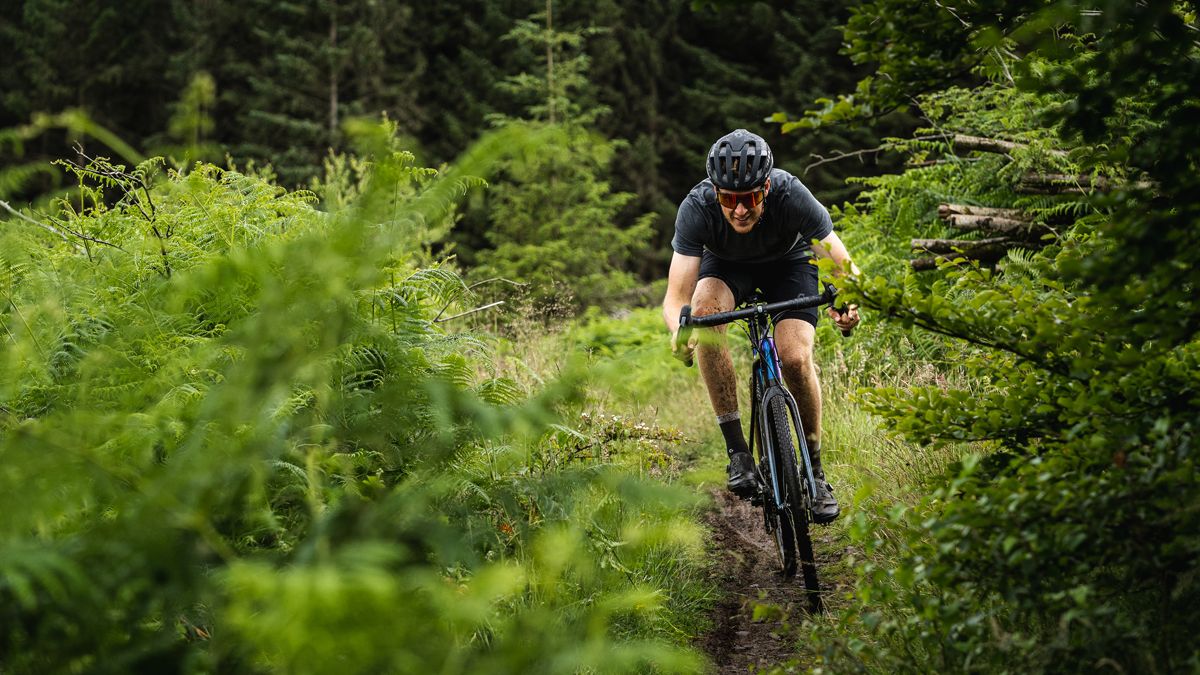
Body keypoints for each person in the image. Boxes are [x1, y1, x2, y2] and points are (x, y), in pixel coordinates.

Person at [661, 128, 860, 524]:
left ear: (766, 188)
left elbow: (840, 262)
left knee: (795, 357)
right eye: (728, 200)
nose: (738, 210)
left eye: (749, 199)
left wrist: (849, 303)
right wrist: (679, 331)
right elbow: (676, 296)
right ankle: (738, 453)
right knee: (702, 318)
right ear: (715, 192)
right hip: (726, 268)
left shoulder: (791, 195)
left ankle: (815, 472)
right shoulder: (697, 207)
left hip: (789, 264)